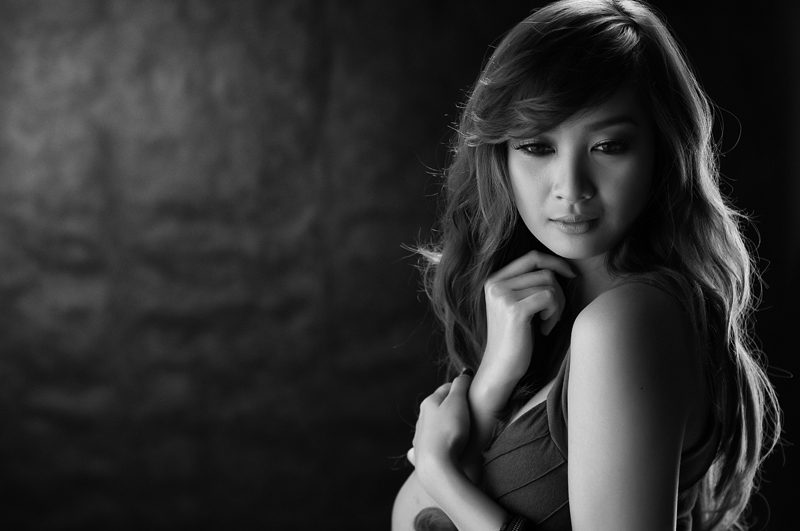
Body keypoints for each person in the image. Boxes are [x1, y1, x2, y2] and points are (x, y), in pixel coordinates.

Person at [391, 0, 782, 530]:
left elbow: (432, 504)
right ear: (501, 159)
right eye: (536, 145)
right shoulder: (555, 327)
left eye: (608, 145)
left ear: (661, 152)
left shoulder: (625, 323)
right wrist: (492, 383)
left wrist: (441, 472)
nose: (570, 188)